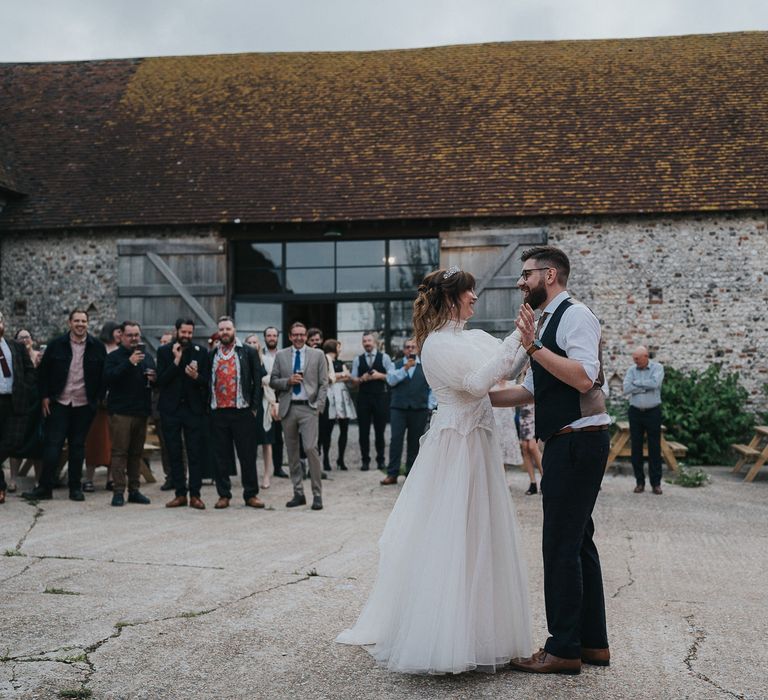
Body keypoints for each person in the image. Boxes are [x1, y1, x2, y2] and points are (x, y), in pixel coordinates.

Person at [337, 266, 532, 674]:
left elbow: (505, 371)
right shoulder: (435, 346)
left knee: (481, 534)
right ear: (450, 298)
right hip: (454, 448)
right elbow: (478, 383)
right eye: (469, 293)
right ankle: (443, 639)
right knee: (451, 537)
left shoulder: (473, 338)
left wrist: (527, 343)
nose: (475, 298)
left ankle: (483, 634)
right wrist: (517, 336)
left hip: (478, 443)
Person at [492, 245, 611, 675]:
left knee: (559, 545)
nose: (521, 282)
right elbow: (533, 390)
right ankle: (593, 644)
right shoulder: (545, 321)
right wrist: (472, 397)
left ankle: (562, 649)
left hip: (579, 442)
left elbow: (583, 375)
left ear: (550, 275)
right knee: (578, 542)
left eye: (526, 274)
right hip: (568, 442)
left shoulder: (575, 315)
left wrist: (534, 345)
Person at [23, 309, 106, 502]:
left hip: (84, 404)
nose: (80, 324)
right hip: (59, 402)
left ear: (88, 323)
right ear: (69, 323)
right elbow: (43, 373)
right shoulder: (56, 345)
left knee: (78, 447)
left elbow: (104, 375)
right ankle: (45, 488)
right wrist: (44, 396)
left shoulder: (97, 347)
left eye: (83, 321)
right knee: (53, 446)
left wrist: (96, 400)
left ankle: (75, 489)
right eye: (76, 320)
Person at [269, 321, 328, 510]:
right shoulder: (281, 355)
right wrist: (288, 381)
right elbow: (273, 381)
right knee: (292, 452)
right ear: (289, 336)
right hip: (288, 408)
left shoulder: (317, 355)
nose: (299, 337)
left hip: (308, 408)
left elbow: (324, 383)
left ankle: (317, 494)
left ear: (306, 336)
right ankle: (298, 493)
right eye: (295, 334)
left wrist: (318, 406)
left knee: (311, 449)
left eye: (302, 334)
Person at [209, 316, 266, 510]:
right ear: (219, 332)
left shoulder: (247, 352)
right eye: (222, 329)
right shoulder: (213, 354)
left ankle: (251, 494)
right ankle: (223, 495)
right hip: (219, 412)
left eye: (228, 329)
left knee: (247, 455)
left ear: (234, 330)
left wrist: (255, 408)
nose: (225, 332)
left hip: (242, 411)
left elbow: (257, 381)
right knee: (220, 456)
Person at [156, 318, 210, 510]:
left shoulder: (201, 352)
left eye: (189, 333)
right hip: (170, 410)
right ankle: (180, 494)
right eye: (183, 332)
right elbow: (160, 382)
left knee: (195, 452)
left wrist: (197, 377)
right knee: (174, 452)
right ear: (177, 331)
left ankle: (195, 495)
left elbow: (207, 382)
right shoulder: (164, 351)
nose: (186, 336)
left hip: (193, 410)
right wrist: (176, 361)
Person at [102, 321, 155, 506]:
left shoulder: (147, 357)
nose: (134, 338)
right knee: (119, 453)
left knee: (136, 453)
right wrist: (128, 363)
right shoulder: (114, 357)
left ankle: (134, 490)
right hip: (121, 413)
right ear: (121, 336)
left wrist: (153, 378)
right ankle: (118, 492)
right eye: (130, 335)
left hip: (141, 411)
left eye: (136, 335)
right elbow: (108, 378)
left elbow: (154, 382)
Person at [380, 338, 434, 486]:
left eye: (413, 347)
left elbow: (432, 389)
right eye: (407, 347)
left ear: (417, 350)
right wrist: (405, 368)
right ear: (404, 350)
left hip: (419, 408)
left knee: (415, 442)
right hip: (398, 408)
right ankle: (392, 473)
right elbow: (390, 380)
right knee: (395, 440)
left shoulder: (425, 366)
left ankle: (411, 473)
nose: (410, 349)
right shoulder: (396, 365)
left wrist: (429, 405)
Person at [0, 312, 36, 504]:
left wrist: (24, 388)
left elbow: (30, 371)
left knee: (13, 442)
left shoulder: (15, 347)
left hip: (14, 401)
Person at [83, 320, 121, 492]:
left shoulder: (122, 352)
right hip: (98, 404)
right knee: (94, 442)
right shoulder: (98, 350)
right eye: (117, 331)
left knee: (114, 443)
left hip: (116, 404)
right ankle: (88, 478)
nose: (120, 334)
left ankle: (111, 479)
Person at [623, 345, 665, 495]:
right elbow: (626, 388)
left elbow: (655, 384)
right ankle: (639, 482)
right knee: (636, 448)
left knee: (655, 448)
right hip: (635, 413)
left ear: (646, 357)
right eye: (634, 359)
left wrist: (637, 384)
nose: (635, 361)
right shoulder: (631, 370)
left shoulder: (658, 368)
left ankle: (656, 484)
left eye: (637, 359)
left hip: (653, 412)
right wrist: (644, 387)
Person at [5, 328, 43, 492]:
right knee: (16, 443)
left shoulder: (41, 357)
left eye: (27, 337)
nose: (24, 340)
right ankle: (13, 480)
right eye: (20, 338)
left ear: (33, 340)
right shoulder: (13, 357)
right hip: (20, 402)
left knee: (37, 443)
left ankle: (38, 480)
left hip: (38, 403)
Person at [351, 332, 392, 470]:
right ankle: (365, 461)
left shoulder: (384, 357)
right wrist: (361, 378)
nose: (367, 343)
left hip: (380, 397)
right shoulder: (358, 359)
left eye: (369, 340)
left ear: (374, 342)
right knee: (363, 431)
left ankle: (381, 460)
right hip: (363, 398)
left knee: (380, 431)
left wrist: (379, 376)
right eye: (364, 341)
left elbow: (392, 377)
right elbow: (353, 382)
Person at [245, 333, 278, 489]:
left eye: (255, 342)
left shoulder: (267, 360)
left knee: (266, 441)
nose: (252, 344)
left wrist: (261, 380)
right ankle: (250, 475)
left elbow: (273, 379)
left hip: (264, 404)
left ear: (259, 344)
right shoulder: (242, 360)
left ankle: (266, 475)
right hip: (248, 405)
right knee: (249, 443)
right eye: (249, 342)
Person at [321, 339, 356, 471]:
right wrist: (341, 375)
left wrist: (338, 376)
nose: (340, 349)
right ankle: (325, 459)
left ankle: (340, 458)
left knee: (344, 429)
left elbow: (348, 376)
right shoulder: (325, 360)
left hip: (341, 396)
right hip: (330, 395)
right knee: (327, 430)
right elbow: (327, 377)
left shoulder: (341, 363)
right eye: (339, 347)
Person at [262, 326, 289, 479]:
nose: (271, 338)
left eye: (274, 335)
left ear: (277, 337)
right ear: (265, 337)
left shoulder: (283, 355)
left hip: (281, 397)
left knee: (279, 435)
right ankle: (267, 468)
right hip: (266, 398)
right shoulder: (259, 355)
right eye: (269, 335)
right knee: (267, 435)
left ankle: (278, 467)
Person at [491, 378, 523, 470]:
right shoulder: (492, 381)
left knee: (504, 450)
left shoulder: (510, 382)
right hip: (495, 418)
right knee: (495, 448)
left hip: (506, 419)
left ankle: (503, 479)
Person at [518, 401, 543, 495]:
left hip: (535, 411)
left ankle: (545, 479)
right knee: (525, 447)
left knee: (533, 447)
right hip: (524, 412)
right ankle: (533, 483)